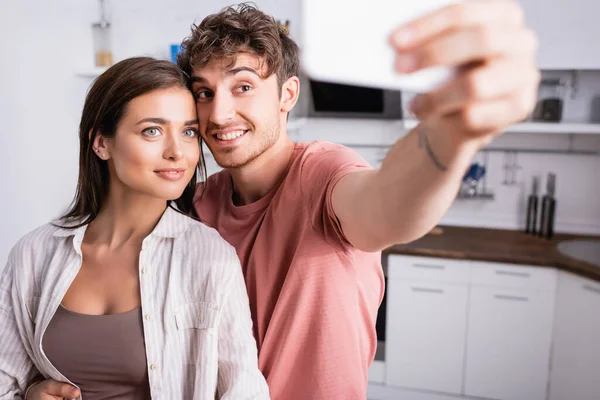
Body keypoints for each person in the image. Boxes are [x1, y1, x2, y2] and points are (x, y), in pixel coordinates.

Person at [31, 0, 540, 398]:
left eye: (244, 86)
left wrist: (450, 138)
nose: (219, 114)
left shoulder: (324, 176)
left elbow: (388, 204)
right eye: (204, 93)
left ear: (287, 94)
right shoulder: (196, 203)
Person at [0, 57, 269, 400]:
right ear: (101, 143)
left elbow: (244, 390)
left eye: (188, 131)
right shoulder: (34, 255)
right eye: (152, 131)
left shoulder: (209, 257)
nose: (177, 152)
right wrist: (29, 396)